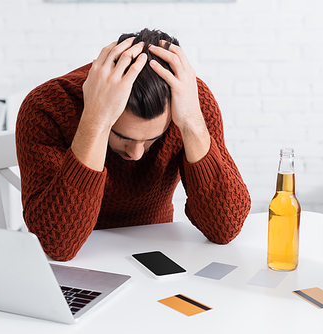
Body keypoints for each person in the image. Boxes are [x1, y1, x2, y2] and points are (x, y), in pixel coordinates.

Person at [16, 28, 251, 261]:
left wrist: (191, 123)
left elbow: (225, 227)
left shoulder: (188, 99)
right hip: (80, 261)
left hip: (157, 252)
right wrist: (96, 121)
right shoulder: (46, 107)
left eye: (152, 139)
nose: (137, 154)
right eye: (123, 136)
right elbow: (56, 245)